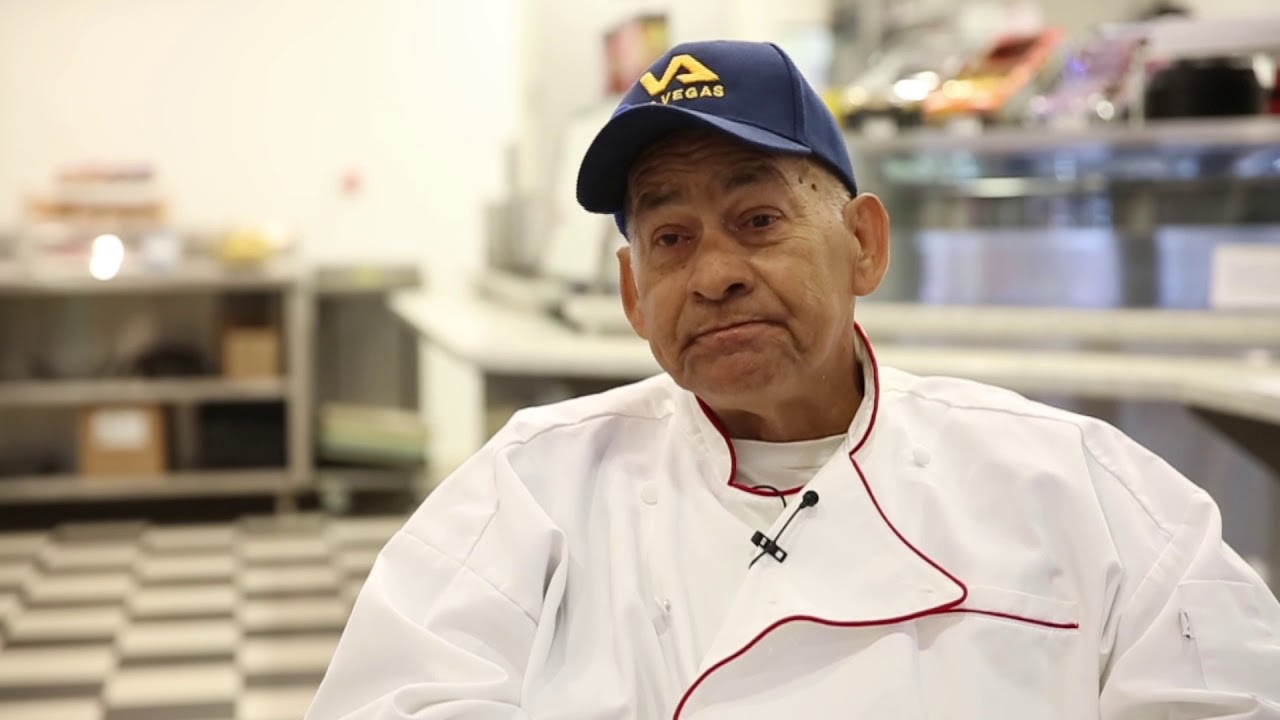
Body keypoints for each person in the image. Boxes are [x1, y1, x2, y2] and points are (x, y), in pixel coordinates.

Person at [306, 40, 1280, 719]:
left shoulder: (1080, 487)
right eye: (669, 237)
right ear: (632, 293)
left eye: (758, 219)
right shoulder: (530, 489)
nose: (715, 270)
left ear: (862, 243)